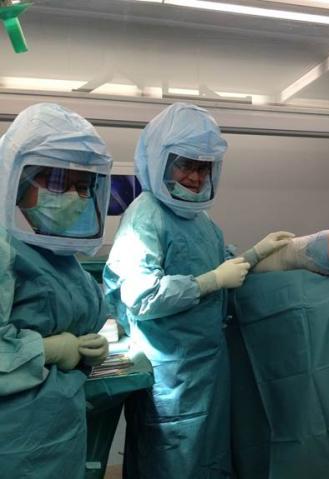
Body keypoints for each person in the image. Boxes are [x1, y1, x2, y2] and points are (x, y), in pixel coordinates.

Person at [103, 103, 293, 478]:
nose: (194, 177)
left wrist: (255, 254)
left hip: (206, 371)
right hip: (170, 377)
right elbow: (140, 296)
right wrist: (210, 282)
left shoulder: (201, 220)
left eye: (203, 167)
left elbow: (221, 267)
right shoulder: (146, 215)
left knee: (208, 459)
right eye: (184, 165)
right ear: (159, 161)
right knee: (172, 464)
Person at [0, 103, 112, 478]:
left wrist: (86, 348)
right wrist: (49, 349)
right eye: (58, 182)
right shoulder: (5, 249)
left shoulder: (58, 253)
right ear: (18, 181)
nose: (75, 198)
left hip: (61, 432)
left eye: (82, 187)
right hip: (12, 443)